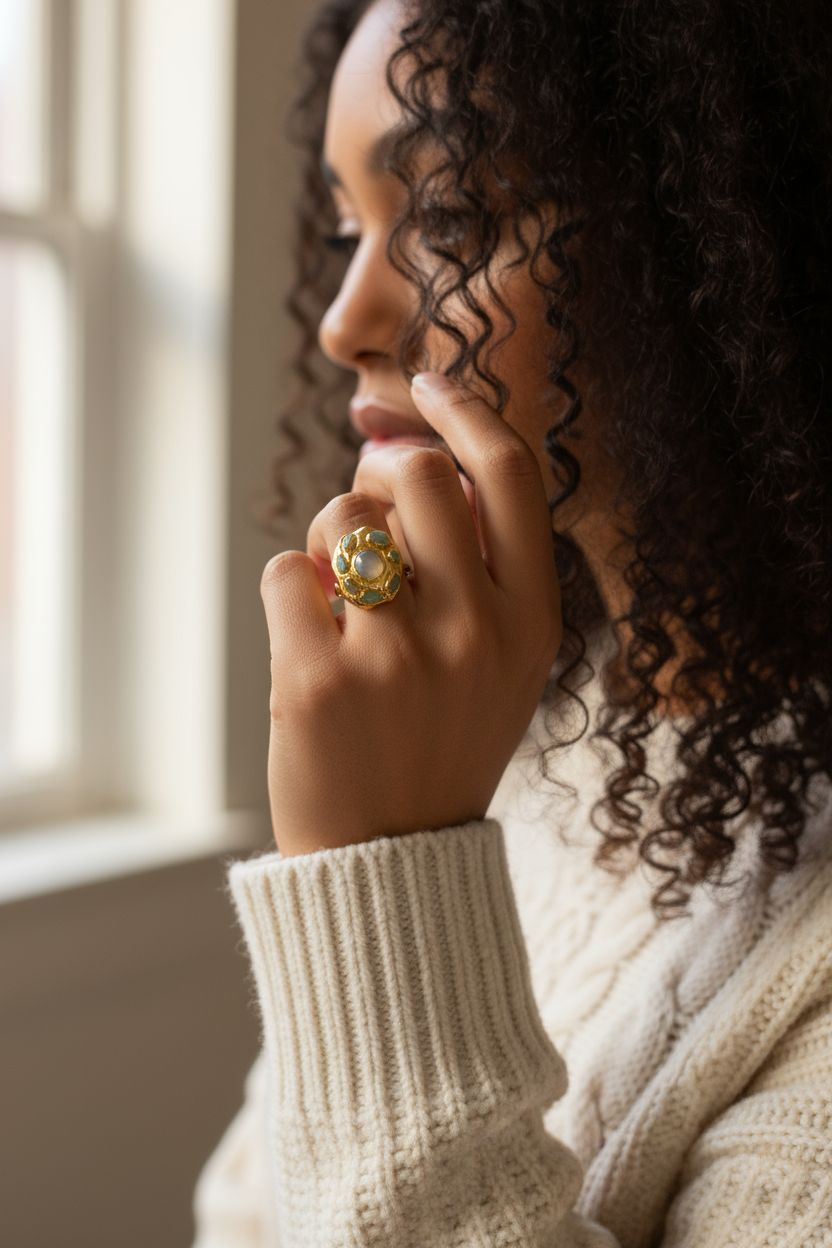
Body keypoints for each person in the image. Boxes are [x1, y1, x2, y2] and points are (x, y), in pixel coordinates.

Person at [192, 0, 832, 1243]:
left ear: (713, 238)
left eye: (442, 219)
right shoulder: (517, 712)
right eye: (342, 227)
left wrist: (386, 870)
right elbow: (245, 1210)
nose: (343, 319)